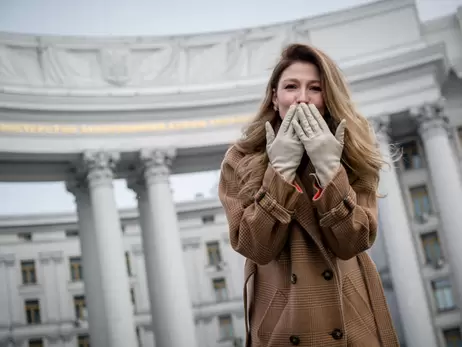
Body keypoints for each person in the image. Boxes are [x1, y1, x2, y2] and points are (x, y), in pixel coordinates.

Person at [218, 43, 399, 347]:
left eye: (314, 88)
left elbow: (354, 242)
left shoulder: (354, 152)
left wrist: (330, 168)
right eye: (291, 87)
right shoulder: (240, 159)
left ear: (327, 99)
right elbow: (255, 246)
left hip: (352, 323)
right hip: (282, 325)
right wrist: (280, 170)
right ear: (274, 97)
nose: (302, 98)